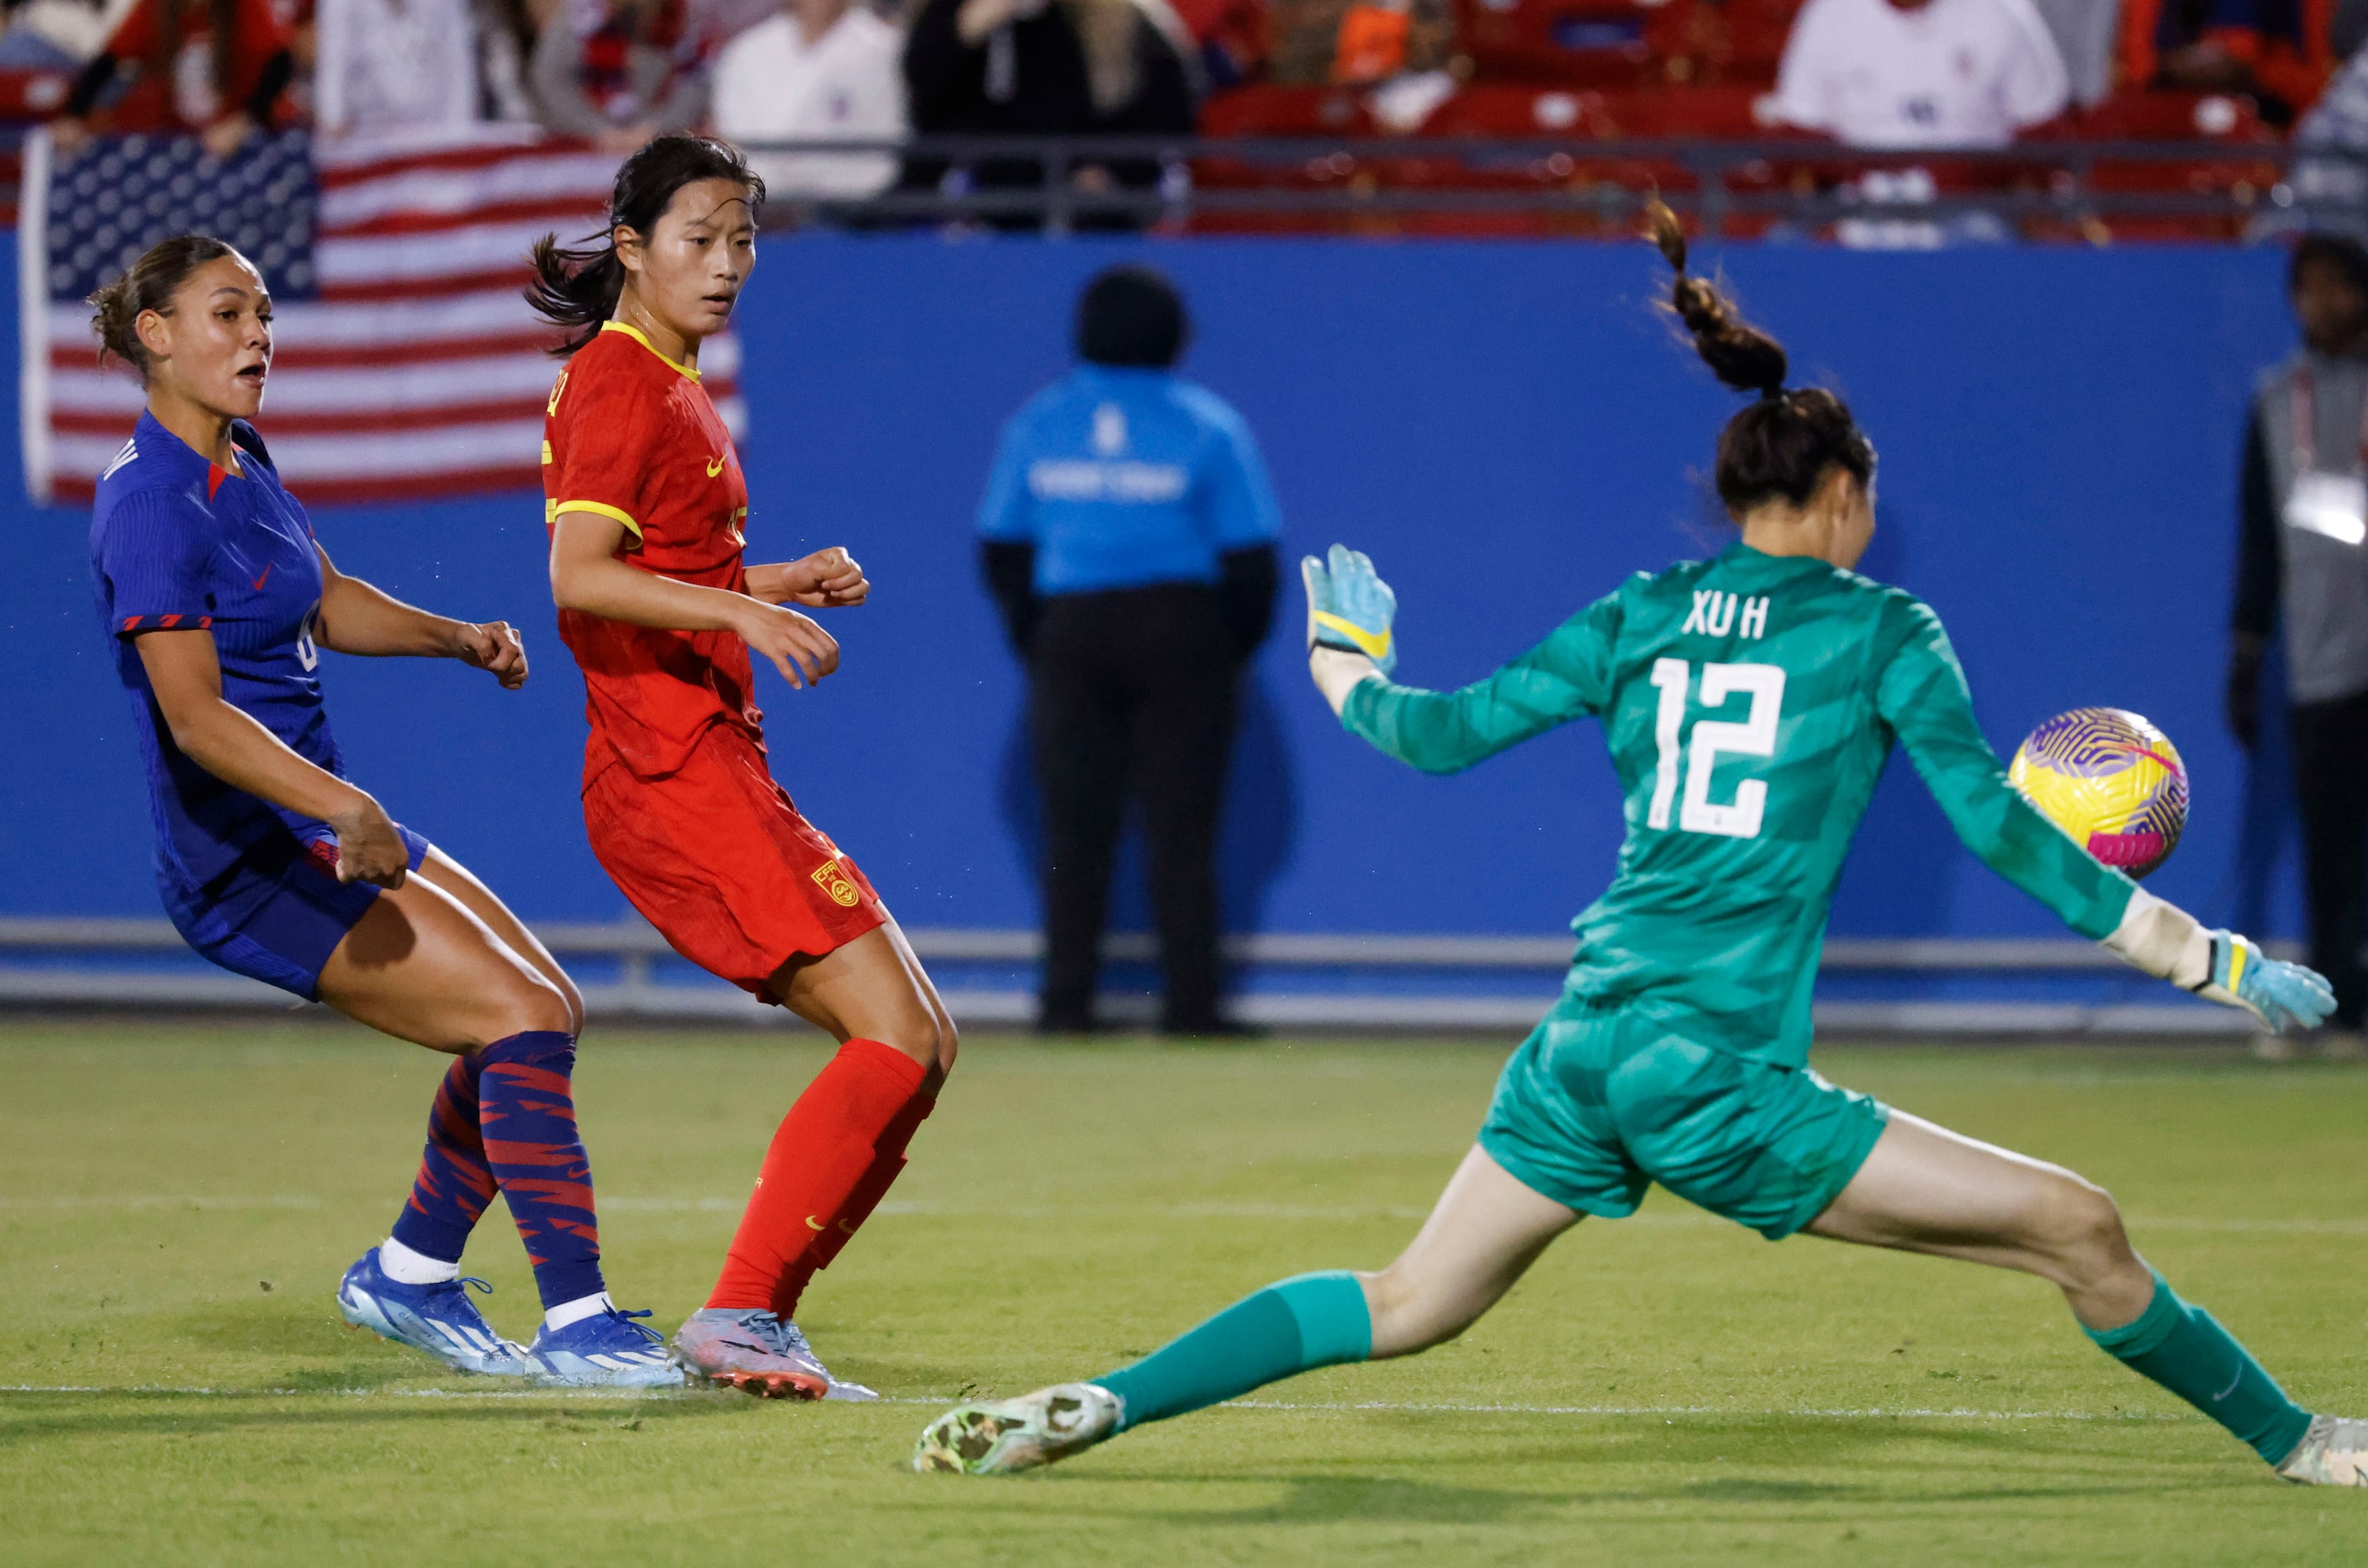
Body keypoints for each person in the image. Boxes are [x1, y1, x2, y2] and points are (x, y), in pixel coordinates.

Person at [912, 202, 2368, 1488]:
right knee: (2081, 1223)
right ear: (1845, 497)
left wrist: (1349, 661)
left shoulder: (1640, 610)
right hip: (1711, 1073)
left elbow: (1435, 731)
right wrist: (2217, 959)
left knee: (1410, 1296)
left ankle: (1104, 1399)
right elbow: (2001, 829)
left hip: (1586, 1043)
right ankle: (2308, 1443)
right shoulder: (1883, 630)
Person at [84, 235, 674, 1391]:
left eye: (263, 314)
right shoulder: (149, 502)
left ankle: (408, 1275)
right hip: (245, 858)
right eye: (226, 314)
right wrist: (345, 801)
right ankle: (579, 1323)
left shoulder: (237, 458)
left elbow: (326, 594)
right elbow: (197, 721)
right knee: (519, 1018)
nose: (258, 335)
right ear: (153, 333)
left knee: (541, 1007)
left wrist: (454, 638)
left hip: (317, 820)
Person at [534, 135, 958, 1401]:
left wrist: (768, 580)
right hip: (673, 774)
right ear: (630, 246)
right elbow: (579, 581)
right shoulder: (623, 385)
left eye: (743, 240)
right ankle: (741, 1311)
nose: (726, 266)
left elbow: (657, 566)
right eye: (698, 239)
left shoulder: (668, 378)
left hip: (713, 761)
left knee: (921, 1041)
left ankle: (753, 1314)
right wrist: (744, 617)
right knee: (897, 1032)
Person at [978, 265, 1282, 1037]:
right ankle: (1194, 1010)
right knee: (1185, 829)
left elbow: (1001, 547)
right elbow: (1253, 563)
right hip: (1182, 633)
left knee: (1074, 827)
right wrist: (1220, 651)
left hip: (1072, 633)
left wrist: (1039, 637)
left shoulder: (1040, 421)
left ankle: (1065, 1004)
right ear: (1175, 332)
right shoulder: (1209, 424)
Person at [2228, 233, 2368, 1051]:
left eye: (2336, 287)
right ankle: (2334, 999)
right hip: (2318, 654)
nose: (2321, 304)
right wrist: (2245, 652)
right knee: (2325, 837)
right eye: (2305, 289)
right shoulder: (2276, 398)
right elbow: (2256, 535)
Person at [899, 0, 1197, 224]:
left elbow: (1167, 113)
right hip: (974, 211)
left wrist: (1114, 173)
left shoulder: (1120, 15)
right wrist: (970, 24)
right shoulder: (957, 8)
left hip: (1087, 213)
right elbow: (921, 96)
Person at [1766, 0, 2070, 148]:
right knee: (1783, 242)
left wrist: (1974, 174)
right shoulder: (1830, 11)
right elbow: (1800, 125)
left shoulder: (2003, 9)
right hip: (1856, 201)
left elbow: (2042, 128)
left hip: (1973, 205)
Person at [708, 0, 906, 202]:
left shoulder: (887, 50)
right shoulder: (746, 51)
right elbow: (732, 140)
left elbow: (886, 149)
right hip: (762, 209)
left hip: (856, 211)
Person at [51, 0, 293, 156]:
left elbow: (280, 65)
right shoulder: (155, 6)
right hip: (187, 142)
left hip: (251, 138)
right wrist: (74, 116)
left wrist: (241, 123)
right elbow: (107, 63)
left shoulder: (246, 3)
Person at [2121, 0, 2338, 126]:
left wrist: (2250, 71)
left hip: (2270, 122)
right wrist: (2176, 67)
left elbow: (2311, 86)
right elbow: (2141, 69)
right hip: (2172, 119)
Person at [529, 0, 711, 151]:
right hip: (585, 142)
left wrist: (656, 128)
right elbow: (550, 81)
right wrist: (599, 130)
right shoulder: (578, 13)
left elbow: (696, 81)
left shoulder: (683, 14)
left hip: (660, 141)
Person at [312, 0, 482, 138]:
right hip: (369, 128)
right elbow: (335, 56)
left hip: (435, 126)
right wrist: (332, 114)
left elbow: (458, 55)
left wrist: (464, 123)